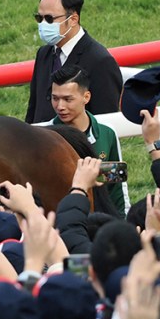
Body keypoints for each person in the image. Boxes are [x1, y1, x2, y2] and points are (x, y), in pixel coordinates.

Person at [39, 64, 128, 214]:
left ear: (86, 97)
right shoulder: (43, 136)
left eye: (68, 99)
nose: (60, 106)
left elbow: (116, 187)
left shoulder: (107, 133)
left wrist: (122, 222)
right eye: (55, 98)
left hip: (101, 221)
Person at [25, 0, 121, 124]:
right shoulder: (44, 53)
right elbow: (34, 108)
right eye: (39, 18)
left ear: (73, 19)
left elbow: (104, 121)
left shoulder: (100, 61)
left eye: (49, 19)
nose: (43, 24)